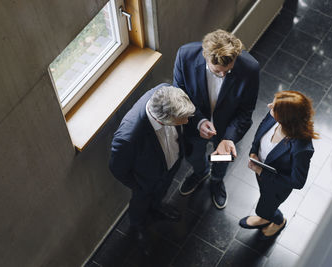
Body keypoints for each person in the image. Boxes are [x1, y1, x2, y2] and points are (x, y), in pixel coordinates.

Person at [173, 29, 260, 209]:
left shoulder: (250, 68)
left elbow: (246, 111)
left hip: (227, 128)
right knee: (194, 155)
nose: (223, 75)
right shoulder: (185, 55)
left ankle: (217, 180)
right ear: (206, 56)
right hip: (193, 124)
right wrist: (198, 121)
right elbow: (179, 95)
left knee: (222, 160)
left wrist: (228, 138)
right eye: (217, 71)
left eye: (228, 71)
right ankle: (200, 172)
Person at [109, 83, 195, 249]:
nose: (186, 122)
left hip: (169, 166)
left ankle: (157, 207)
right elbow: (117, 169)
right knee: (140, 203)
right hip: (145, 182)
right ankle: (137, 225)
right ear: (161, 120)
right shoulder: (129, 137)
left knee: (161, 192)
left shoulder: (166, 91)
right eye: (181, 120)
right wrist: (140, 185)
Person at [239, 91, 318, 240]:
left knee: (264, 208)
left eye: (274, 107)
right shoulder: (274, 115)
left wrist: (262, 171)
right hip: (261, 170)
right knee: (263, 196)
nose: (269, 106)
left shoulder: (301, 148)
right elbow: (262, 128)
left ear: (286, 119)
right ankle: (267, 216)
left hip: (277, 186)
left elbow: (297, 182)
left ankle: (277, 220)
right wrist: (253, 151)